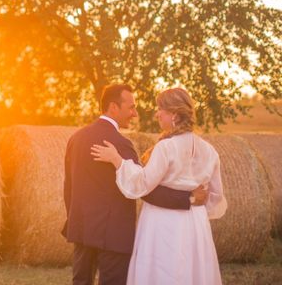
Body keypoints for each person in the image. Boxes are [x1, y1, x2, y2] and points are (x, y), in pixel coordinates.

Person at [62, 83, 208, 285]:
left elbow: (68, 187)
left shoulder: (76, 139)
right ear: (113, 107)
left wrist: (76, 220)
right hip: (113, 235)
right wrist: (188, 198)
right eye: (130, 107)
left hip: (81, 230)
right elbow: (145, 190)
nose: (135, 113)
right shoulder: (121, 144)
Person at [91, 87, 227, 284]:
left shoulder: (166, 147)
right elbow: (215, 198)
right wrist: (191, 199)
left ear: (174, 114)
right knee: (192, 272)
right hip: (196, 225)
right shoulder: (210, 151)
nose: (157, 113)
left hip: (163, 223)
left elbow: (141, 185)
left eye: (160, 109)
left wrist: (117, 161)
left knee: (163, 271)